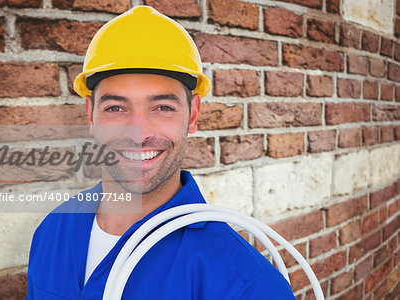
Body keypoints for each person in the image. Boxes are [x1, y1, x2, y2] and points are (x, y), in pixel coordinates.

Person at [26, 5, 296, 299]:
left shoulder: (245, 283)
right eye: (116, 108)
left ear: (192, 116)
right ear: (91, 115)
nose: (139, 133)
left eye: (163, 108)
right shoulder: (52, 230)